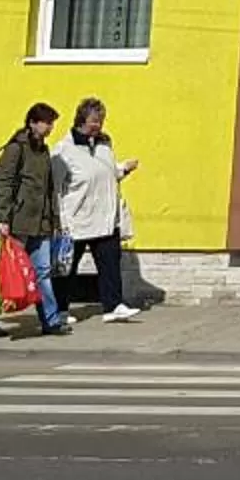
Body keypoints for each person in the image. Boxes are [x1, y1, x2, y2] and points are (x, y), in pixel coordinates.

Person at [0, 101, 69, 339]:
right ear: (32, 122)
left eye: (52, 123)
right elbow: (4, 183)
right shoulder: (16, 149)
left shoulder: (43, 150)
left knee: (42, 272)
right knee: (5, 272)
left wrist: (54, 218)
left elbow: (48, 188)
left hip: (41, 222)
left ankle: (50, 320)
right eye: (47, 123)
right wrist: (4, 218)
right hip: (17, 222)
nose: (50, 128)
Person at [52, 97, 142, 323]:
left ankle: (114, 305)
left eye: (101, 120)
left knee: (110, 264)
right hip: (76, 219)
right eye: (94, 121)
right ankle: (59, 310)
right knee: (67, 268)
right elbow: (54, 187)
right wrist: (58, 219)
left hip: (105, 216)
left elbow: (105, 173)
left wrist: (122, 169)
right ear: (81, 120)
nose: (98, 125)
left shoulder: (105, 145)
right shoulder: (63, 150)